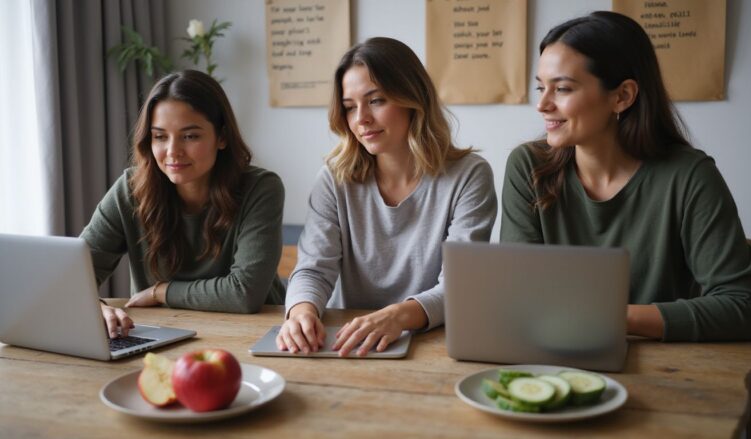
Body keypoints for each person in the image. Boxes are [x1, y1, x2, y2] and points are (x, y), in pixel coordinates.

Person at [501, 11, 751, 341]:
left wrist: (613, 317)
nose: (542, 104)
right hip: (557, 359)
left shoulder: (689, 176)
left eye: (563, 89)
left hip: (673, 372)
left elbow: (747, 308)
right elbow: (518, 297)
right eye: (541, 87)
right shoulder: (528, 167)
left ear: (622, 96)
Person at [277, 37, 497, 356]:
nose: (361, 119)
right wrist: (301, 313)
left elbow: (459, 286)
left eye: (376, 100)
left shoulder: (469, 176)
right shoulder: (333, 179)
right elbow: (313, 268)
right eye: (350, 107)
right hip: (347, 346)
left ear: (412, 98)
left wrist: (397, 316)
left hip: (434, 345)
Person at [82, 70, 286, 338]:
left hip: (252, 336)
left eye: (190, 136)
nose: (172, 151)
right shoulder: (130, 189)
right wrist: (95, 307)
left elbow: (243, 293)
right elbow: (75, 275)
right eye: (160, 136)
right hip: (160, 337)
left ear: (222, 136)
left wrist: (161, 291)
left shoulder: (260, 188)